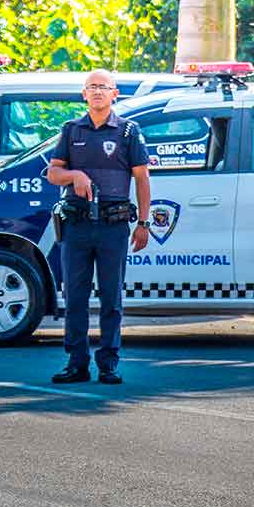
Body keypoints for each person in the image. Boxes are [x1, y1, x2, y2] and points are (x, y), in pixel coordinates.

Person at [46, 69, 151, 384]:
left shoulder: (128, 132)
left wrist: (143, 224)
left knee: (111, 298)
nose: (97, 92)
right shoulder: (71, 130)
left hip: (113, 225)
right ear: (83, 94)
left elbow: (142, 179)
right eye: (91, 87)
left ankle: (108, 364)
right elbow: (53, 173)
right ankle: (76, 364)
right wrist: (73, 176)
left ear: (114, 94)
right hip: (76, 224)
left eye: (103, 87)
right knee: (75, 297)